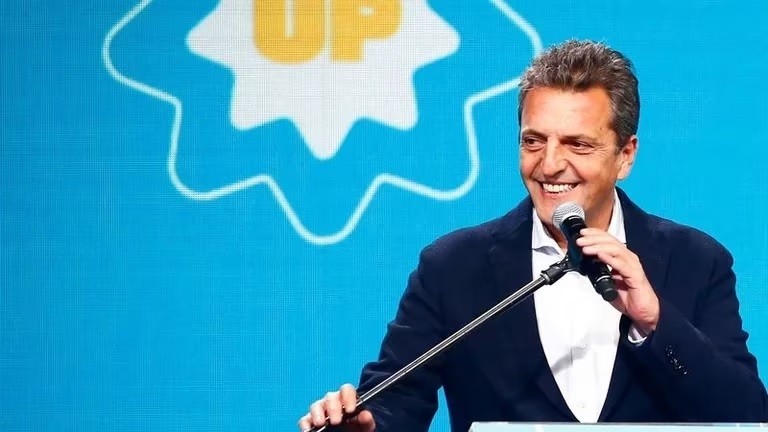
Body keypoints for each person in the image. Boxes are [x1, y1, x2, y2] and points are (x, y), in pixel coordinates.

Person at [298, 40, 768, 432]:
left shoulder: (695, 260)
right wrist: (365, 425)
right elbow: (395, 402)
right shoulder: (453, 266)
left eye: (577, 144)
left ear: (625, 155)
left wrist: (655, 320)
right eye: (533, 141)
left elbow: (746, 414)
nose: (549, 164)